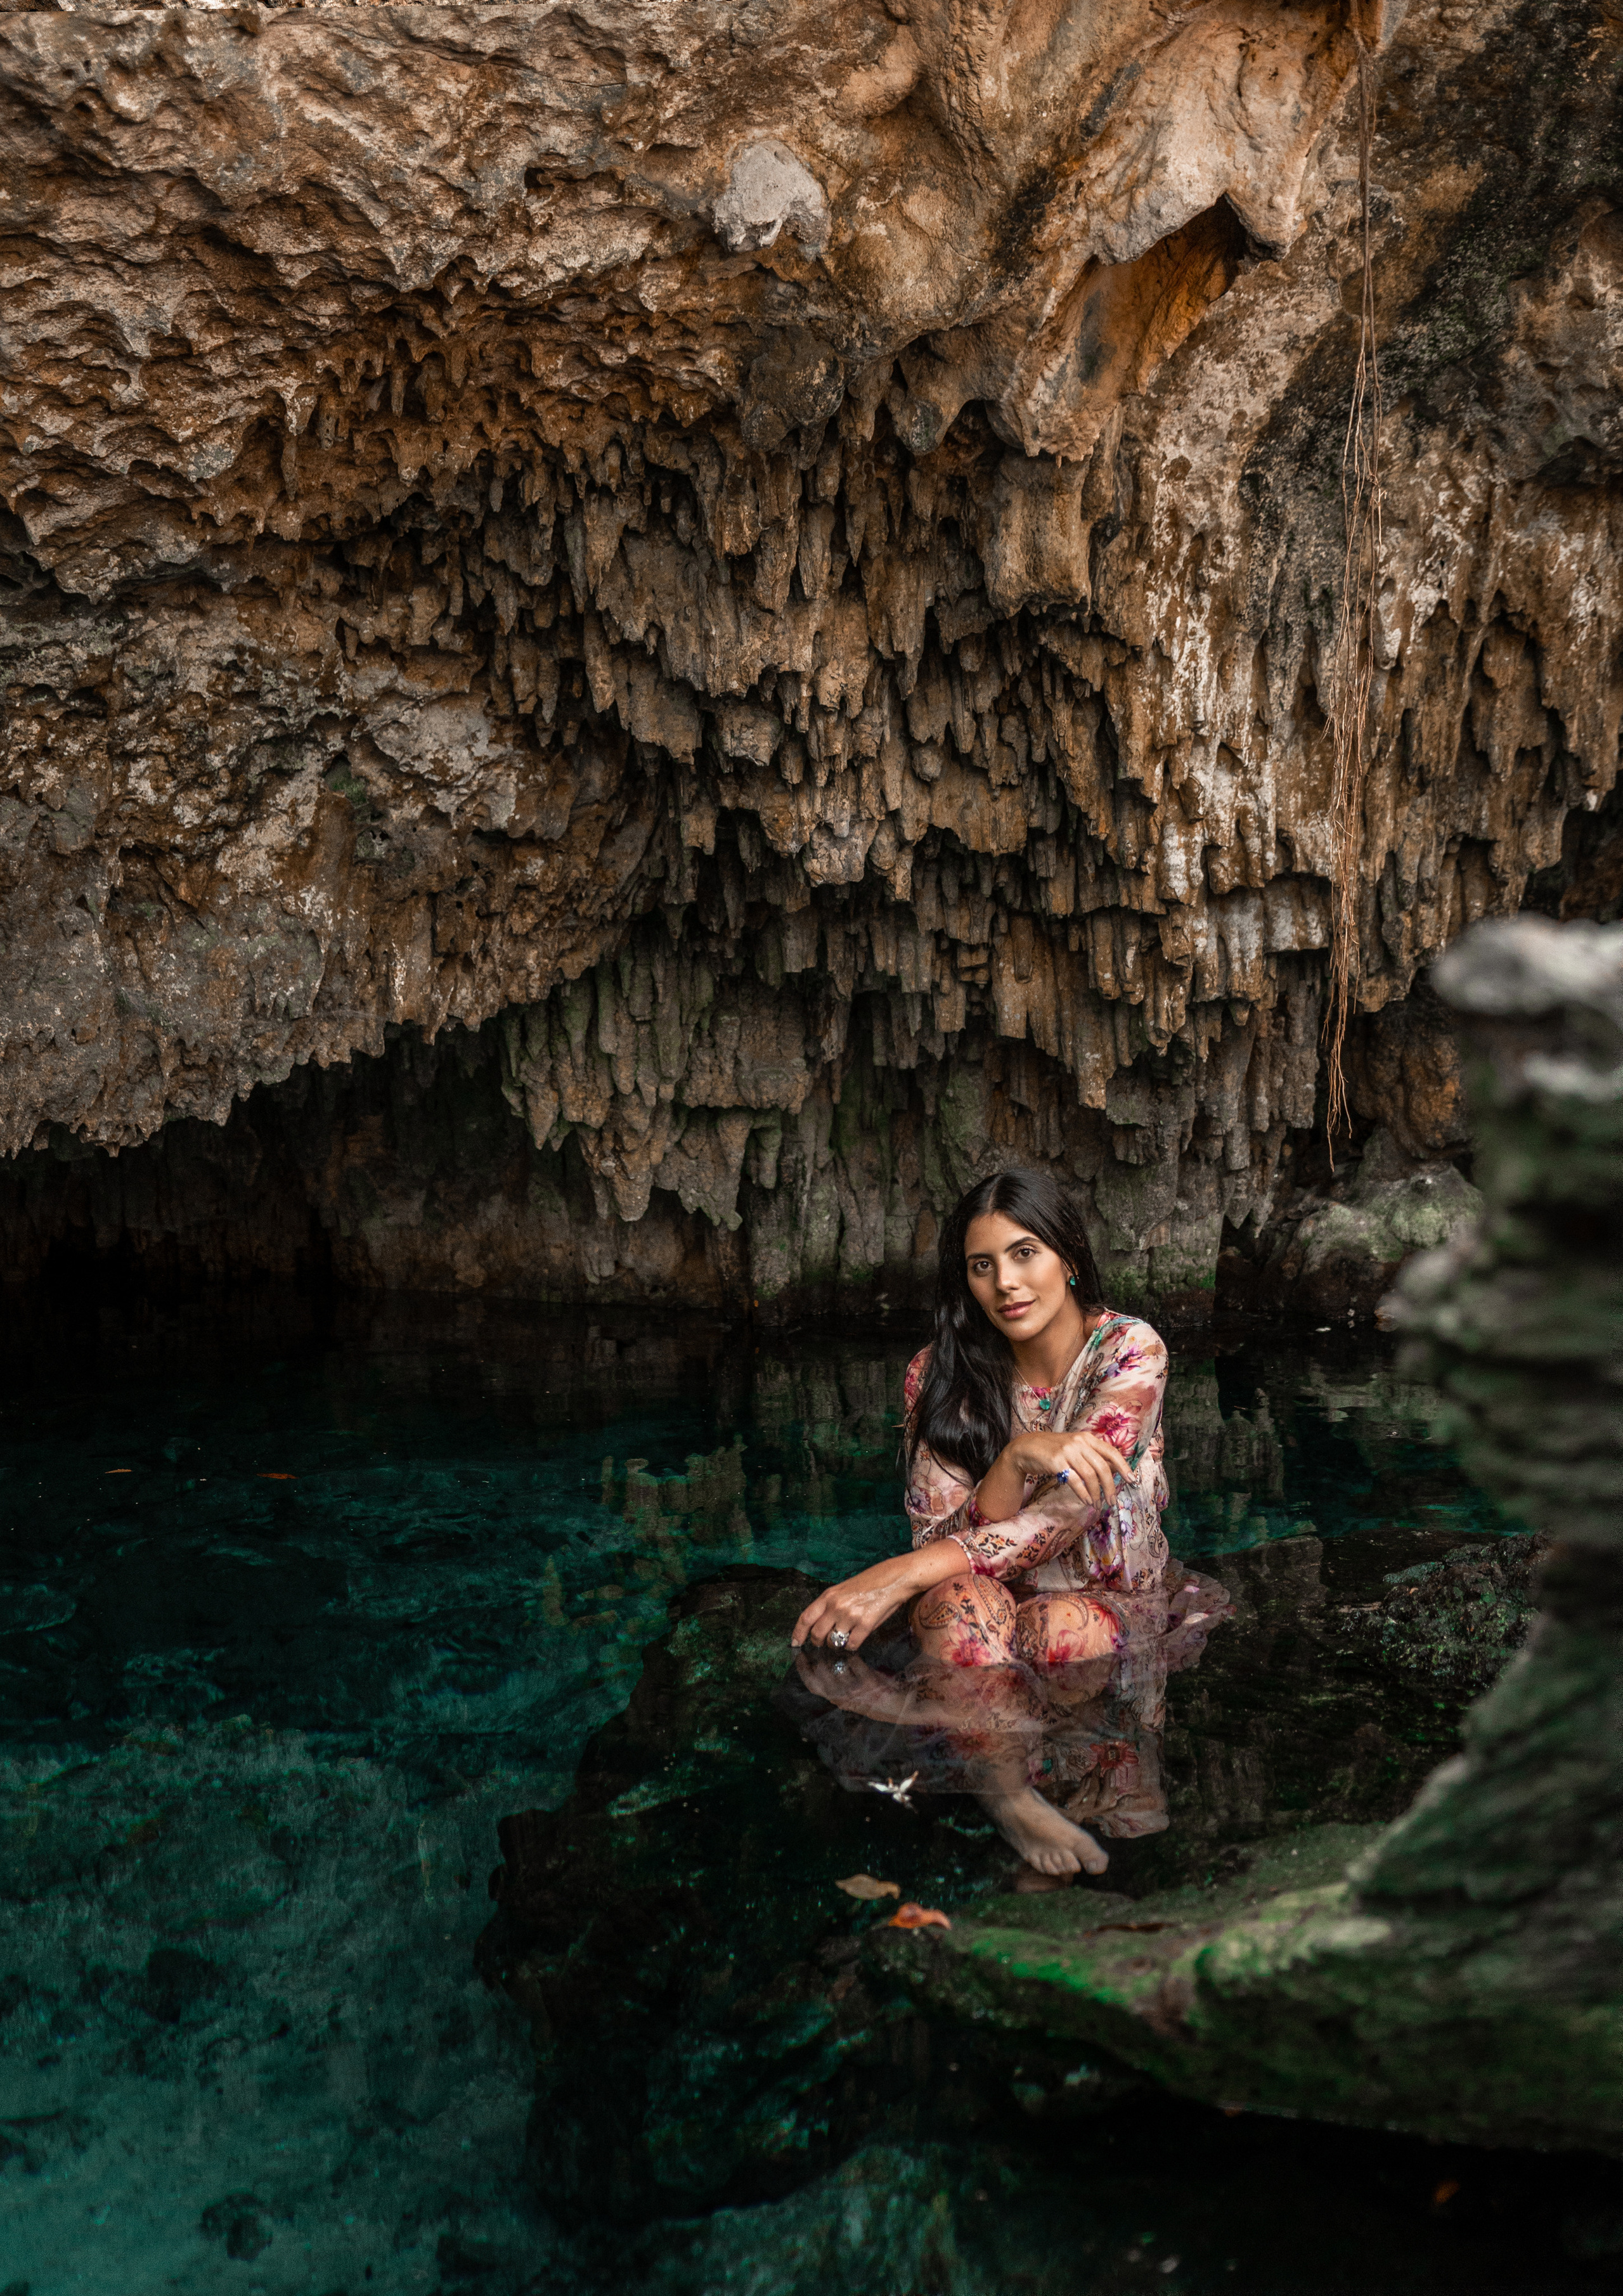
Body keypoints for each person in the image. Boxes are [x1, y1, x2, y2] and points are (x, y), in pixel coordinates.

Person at [791, 1168, 1221, 1881]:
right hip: (981, 1614)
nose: (1006, 1284)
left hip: (1109, 1602)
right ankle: (1008, 1794)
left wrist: (890, 1578)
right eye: (982, 1266)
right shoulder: (937, 1375)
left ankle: (1022, 1770)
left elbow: (1065, 1515)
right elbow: (939, 1545)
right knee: (963, 1605)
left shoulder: (1129, 1352)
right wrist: (1015, 1459)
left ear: (1070, 1259)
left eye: (1025, 1253)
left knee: (1058, 1636)